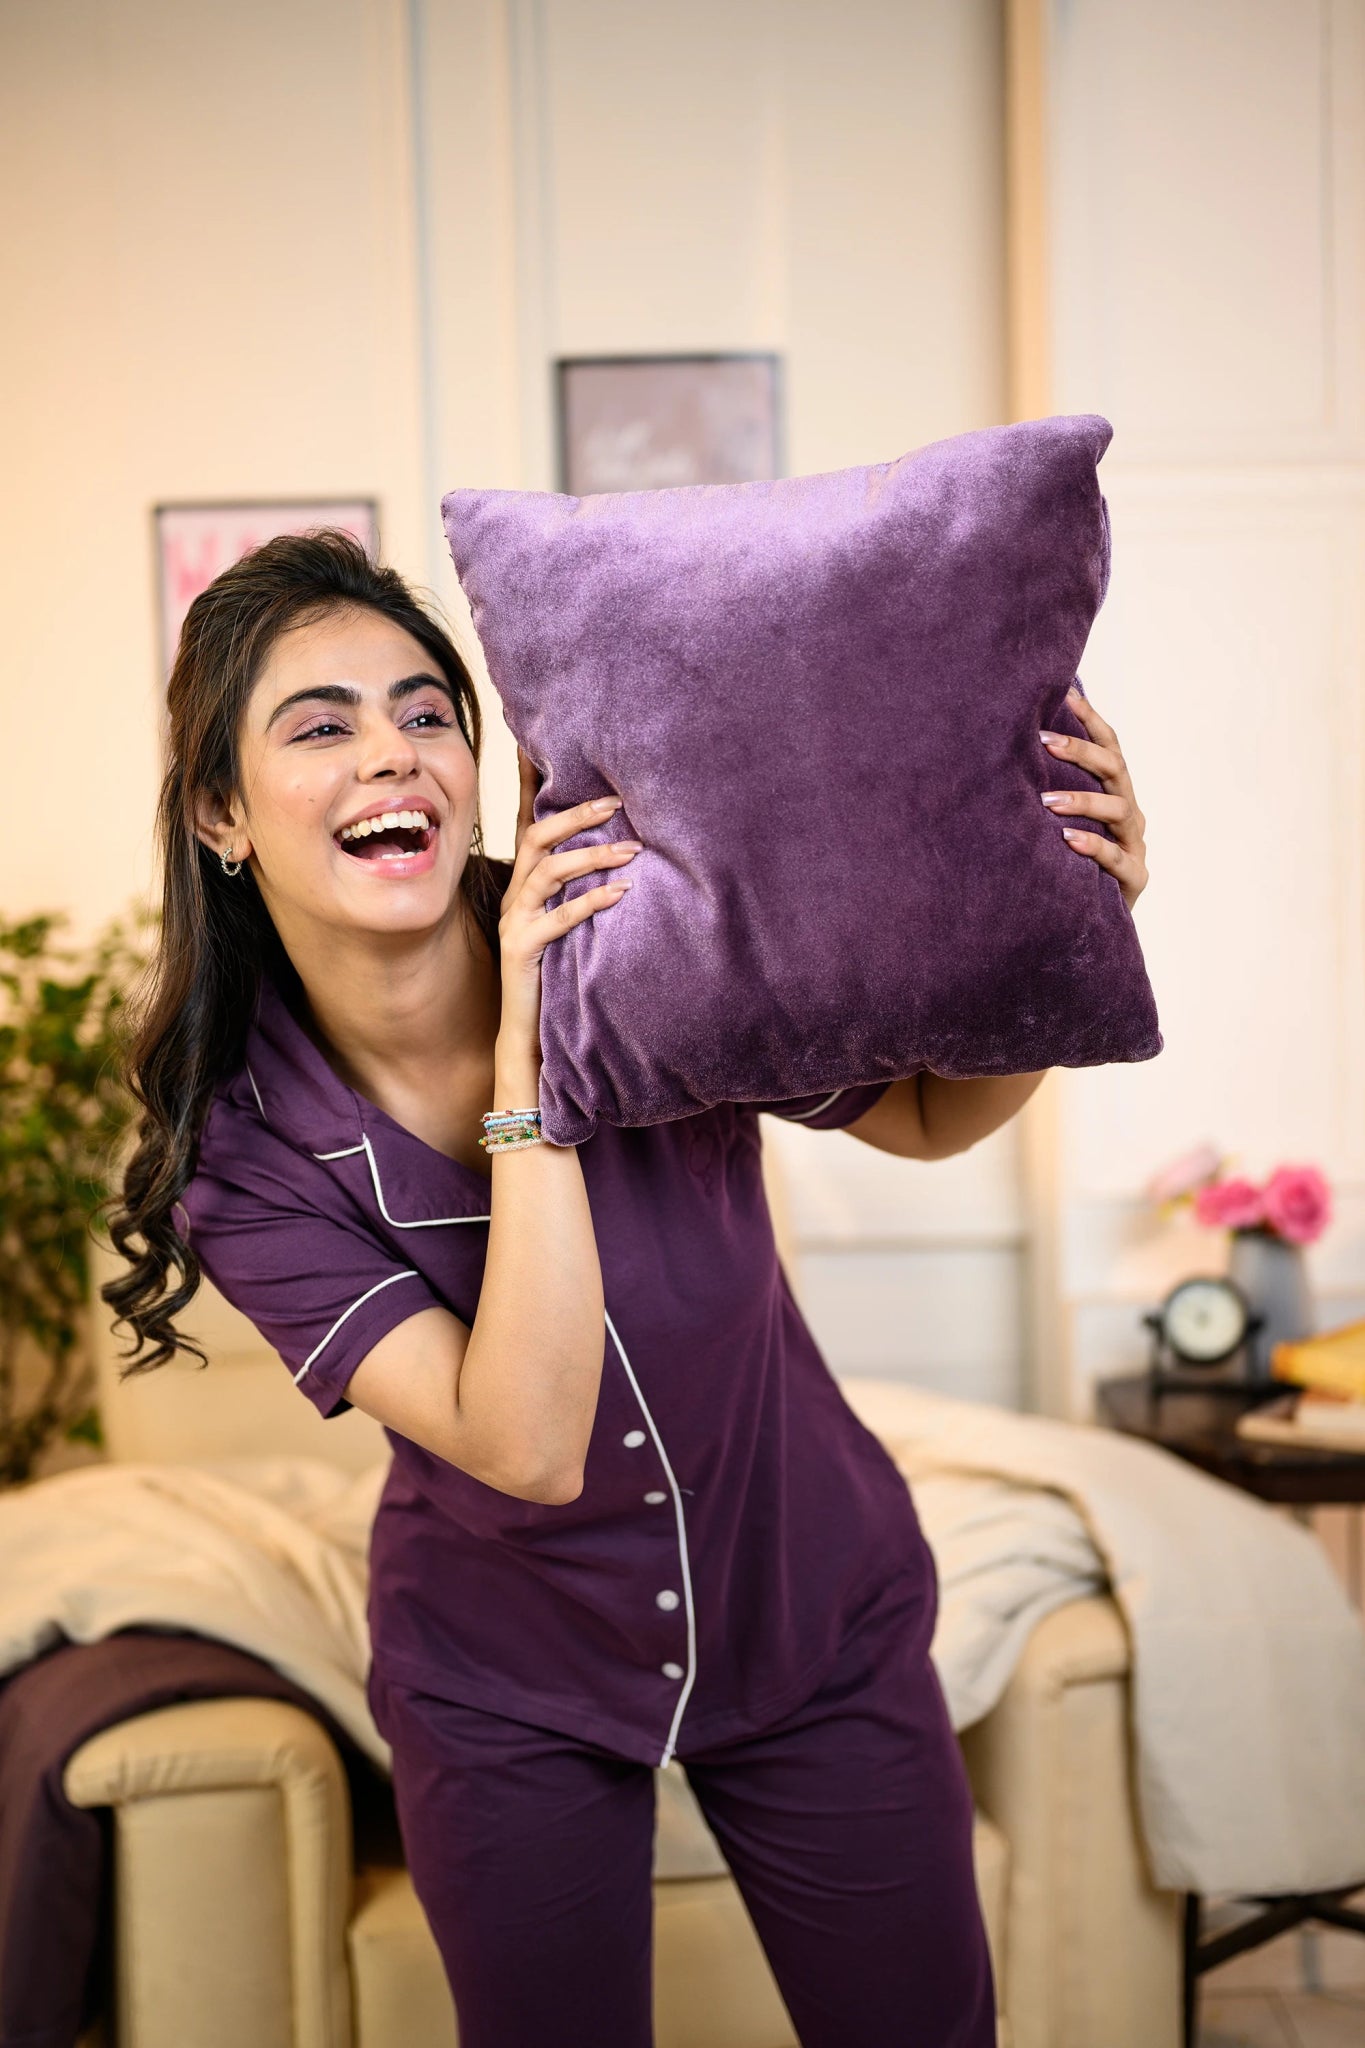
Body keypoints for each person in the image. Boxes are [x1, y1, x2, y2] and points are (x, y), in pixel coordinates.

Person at [104, 528, 1148, 2048]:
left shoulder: (633, 941)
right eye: (318, 728)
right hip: (503, 1685)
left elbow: (932, 1119)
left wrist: (1066, 912)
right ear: (220, 812)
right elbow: (525, 1442)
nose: (389, 754)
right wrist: (531, 1071)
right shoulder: (243, 1152)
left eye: (424, 712)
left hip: (813, 1614)